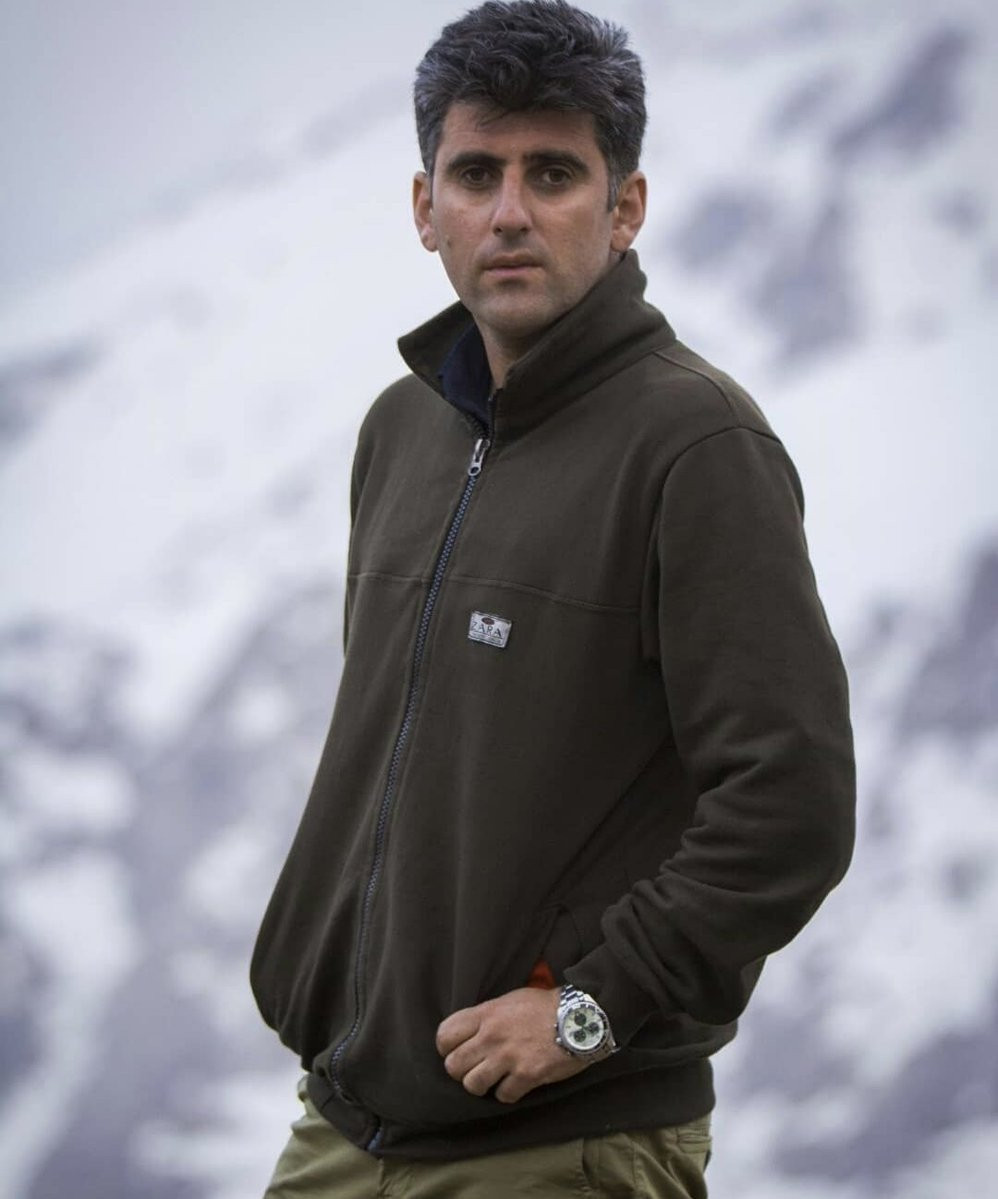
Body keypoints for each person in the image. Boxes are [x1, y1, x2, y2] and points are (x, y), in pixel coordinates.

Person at [251, 2, 856, 1195]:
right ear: (424, 207)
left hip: (560, 1143)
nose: (510, 211)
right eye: (475, 173)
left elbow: (790, 803)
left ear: (623, 208)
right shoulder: (400, 430)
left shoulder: (698, 445)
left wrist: (590, 1006)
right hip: (343, 1125)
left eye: (554, 174)